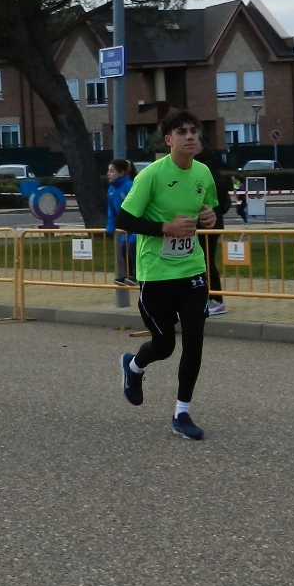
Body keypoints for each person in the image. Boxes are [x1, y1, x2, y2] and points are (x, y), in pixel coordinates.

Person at [113, 110, 219, 440]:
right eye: (182, 132)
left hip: (192, 269)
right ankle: (133, 366)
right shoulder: (151, 175)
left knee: (195, 339)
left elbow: (209, 209)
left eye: (194, 131)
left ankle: (181, 413)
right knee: (164, 345)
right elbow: (123, 220)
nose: (191, 136)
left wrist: (211, 217)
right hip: (156, 273)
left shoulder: (203, 172)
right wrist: (165, 228)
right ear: (169, 140)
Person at [196, 148, 232, 315]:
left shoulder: (207, 167)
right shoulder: (198, 166)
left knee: (207, 260)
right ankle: (206, 297)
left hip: (209, 222)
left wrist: (211, 211)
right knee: (201, 261)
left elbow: (218, 193)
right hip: (203, 222)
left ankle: (216, 299)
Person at [106, 158, 137, 286]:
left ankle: (137, 276)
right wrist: (110, 227)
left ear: (122, 172)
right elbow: (111, 211)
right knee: (124, 248)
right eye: (108, 171)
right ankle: (129, 275)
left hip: (137, 225)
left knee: (132, 247)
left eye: (112, 171)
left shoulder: (130, 185)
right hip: (126, 227)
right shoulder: (111, 189)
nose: (108, 174)